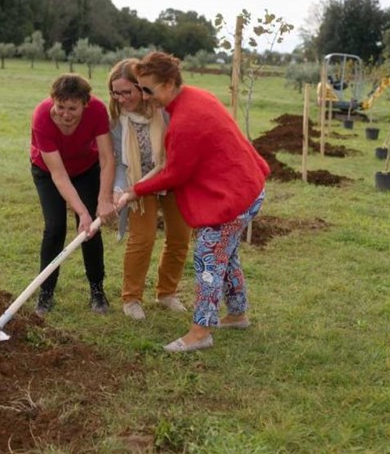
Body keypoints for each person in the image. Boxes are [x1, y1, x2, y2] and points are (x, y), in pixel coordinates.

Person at [115, 52, 269, 353]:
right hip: (249, 188)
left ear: (170, 83)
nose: (145, 97)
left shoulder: (187, 118)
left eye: (150, 89)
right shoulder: (197, 96)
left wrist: (135, 191)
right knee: (227, 255)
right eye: (142, 89)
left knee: (209, 258)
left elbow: (175, 174)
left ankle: (200, 332)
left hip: (233, 198)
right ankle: (237, 314)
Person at [107, 59, 191, 321]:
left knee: (179, 237)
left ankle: (167, 293)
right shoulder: (116, 121)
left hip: (171, 178)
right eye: (115, 93)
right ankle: (131, 298)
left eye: (126, 92)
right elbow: (120, 162)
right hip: (138, 186)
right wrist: (120, 188)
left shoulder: (163, 110)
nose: (121, 98)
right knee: (141, 239)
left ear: (142, 87)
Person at [30, 73, 115, 317]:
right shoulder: (42, 117)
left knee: (90, 230)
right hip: (48, 172)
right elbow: (58, 175)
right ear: (52, 100)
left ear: (85, 103)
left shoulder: (97, 110)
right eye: (60, 107)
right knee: (55, 228)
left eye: (73, 108)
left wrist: (102, 199)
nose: (65, 114)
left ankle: (97, 290)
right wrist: (81, 210)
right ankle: (46, 293)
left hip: (86, 169)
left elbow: (107, 158)